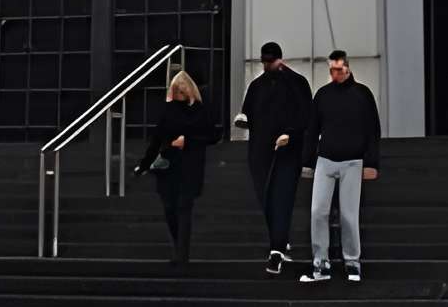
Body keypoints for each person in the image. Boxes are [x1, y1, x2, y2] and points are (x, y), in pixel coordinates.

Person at [299, 47, 380, 284]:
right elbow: (312, 130)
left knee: (348, 215)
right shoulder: (323, 95)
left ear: (347, 67)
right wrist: (307, 163)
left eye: (339, 69)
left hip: (353, 161)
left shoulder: (363, 94)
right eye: (332, 70)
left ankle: (352, 261)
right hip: (325, 159)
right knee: (317, 212)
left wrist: (372, 162)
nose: (335, 74)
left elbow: (372, 130)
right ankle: (320, 262)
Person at [236, 40, 312, 273]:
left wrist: (290, 134)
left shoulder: (295, 83)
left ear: (279, 59)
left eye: (270, 61)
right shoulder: (258, 85)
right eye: (265, 62)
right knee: (267, 195)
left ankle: (277, 248)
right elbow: (247, 113)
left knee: (282, 196)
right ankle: (278, 240)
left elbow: (306, 115)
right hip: (261, 149)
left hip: (286, 150)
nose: (266, 65)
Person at [139, 68, 220, 272]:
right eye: (177, 91)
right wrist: (145, 163)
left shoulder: (200, 111)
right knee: (170, 209)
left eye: (183, 91)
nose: (180, 95)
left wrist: (188, 141)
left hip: (189, 166)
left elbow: (213, 135)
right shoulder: (168, 111)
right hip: (168, 166)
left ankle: (181, 254)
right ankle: (178, 248)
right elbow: (157, 139)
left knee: (183, 208)